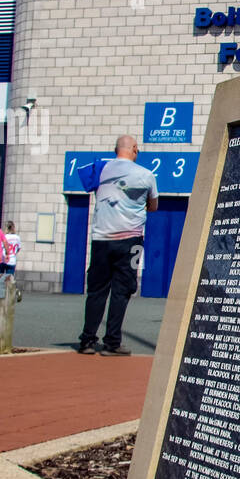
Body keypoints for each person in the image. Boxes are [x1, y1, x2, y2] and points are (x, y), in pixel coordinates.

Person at [78, 135, 157, 355]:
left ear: (115, 150)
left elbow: (91, 187)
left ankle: (87, 341)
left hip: (101, 239)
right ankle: (112, 343)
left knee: (96, 291)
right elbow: (153, 206)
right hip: (132, 241)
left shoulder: (100, 169)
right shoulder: (147, 175)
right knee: (123, 291)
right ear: (133, 149)